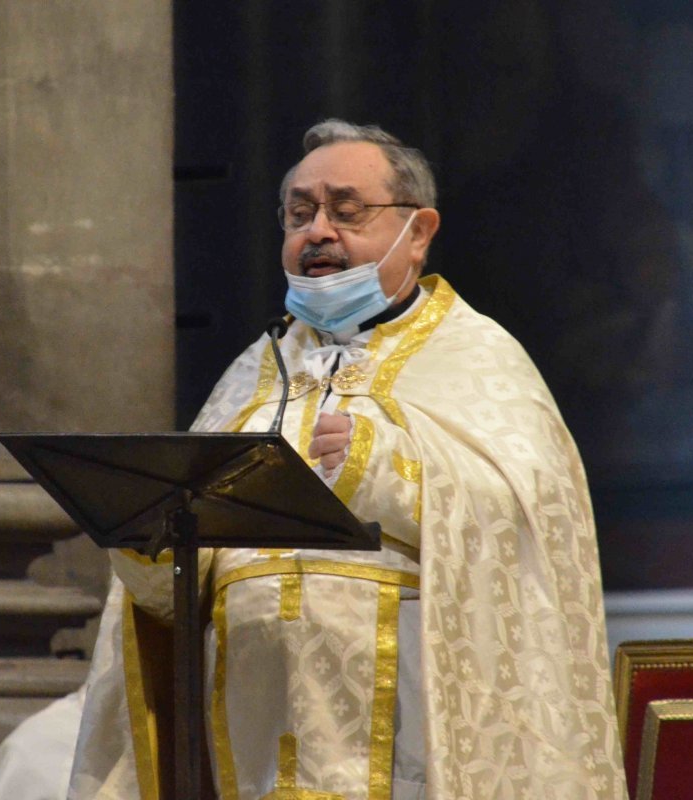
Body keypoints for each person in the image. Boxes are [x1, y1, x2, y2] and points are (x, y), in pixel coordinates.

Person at [67, 119, 627, 799]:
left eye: (346, 210)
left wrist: (387, 467)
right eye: (300, 213)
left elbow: (534, 523)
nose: (318, 232)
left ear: (418, 232)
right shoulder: (255, 370)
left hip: (407, 732)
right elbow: (187, 577)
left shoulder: (478, 356)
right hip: (252, 729)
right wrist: (150, 538)